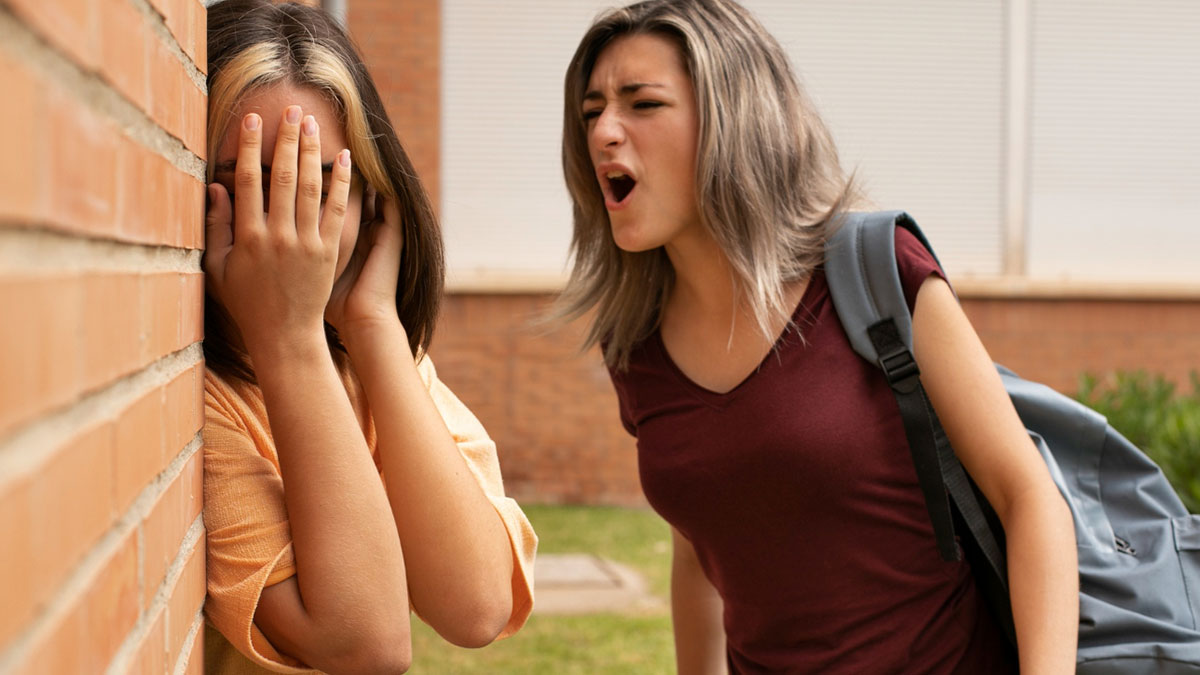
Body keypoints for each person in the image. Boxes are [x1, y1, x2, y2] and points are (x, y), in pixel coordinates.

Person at [556, 0, 1078, 672]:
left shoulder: (876, 269)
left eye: (642, 103)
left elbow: (1028, 497)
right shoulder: (635, 343)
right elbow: (700, 547)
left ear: (734, 119)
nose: (604, 131)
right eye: (592, 109)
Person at [200, 1, 536, 672]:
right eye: (247, 182)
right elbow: (366, 644)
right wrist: (288, 334)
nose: (282, 228)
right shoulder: (197, 398)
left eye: (317, 182)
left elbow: (474, 605)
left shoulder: (374, 359)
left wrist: (374, 324)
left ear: (374, 202)